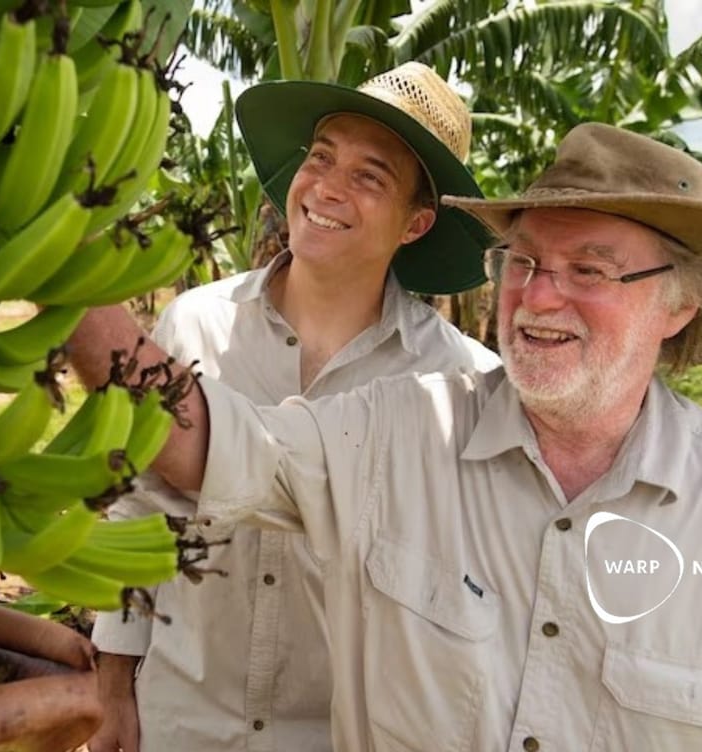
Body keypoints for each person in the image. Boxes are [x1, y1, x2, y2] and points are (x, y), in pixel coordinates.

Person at [71, 123, 702, 750]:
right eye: (522, 261)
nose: (538, 297)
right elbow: (207, 442)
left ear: (678, 306)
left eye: (589, 272)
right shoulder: (398, 430)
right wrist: (62, 261)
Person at [82, 62, 500, 752]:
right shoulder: (195, 326)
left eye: (371, 176)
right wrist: (112, 693)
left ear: (417, 223)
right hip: (181, 720)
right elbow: (136, 516)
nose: (328, 187)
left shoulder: (457, 384)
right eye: (321, 157)